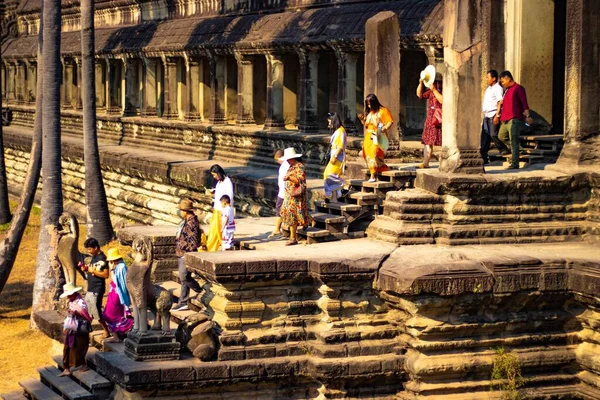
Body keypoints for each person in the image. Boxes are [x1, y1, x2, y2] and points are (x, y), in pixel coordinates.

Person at [497, 70, 533, 170]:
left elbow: (524, 104)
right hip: (505, 120)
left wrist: (528, 116)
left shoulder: (519, 88)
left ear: (508, 78)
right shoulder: (507, 90)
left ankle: (515, 164)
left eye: (503, 81)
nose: (502, 83)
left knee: (514, 141)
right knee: (501, 136)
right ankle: (519, 150)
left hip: (514, 119)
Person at [172, 198, 203, 312]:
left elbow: (194, 242)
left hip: (186, 253)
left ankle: (200, 291)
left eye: (181, 210)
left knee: (184, 277)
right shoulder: (187, 221)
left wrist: (183, 247)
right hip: (182, 252)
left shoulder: (191, 223)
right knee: (184, 277)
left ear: (185, 211)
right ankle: (183, 301)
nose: (180, 212)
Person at [358, 94, 393, 182]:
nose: (369, 106)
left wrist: (384, 128)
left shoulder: (383, 110)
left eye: (370, 104)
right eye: (368, 104)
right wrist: (362, 120)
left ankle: (372, 175)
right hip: (368, 135)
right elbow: (366, 124)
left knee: (373, 152)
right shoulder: (370, 113)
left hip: (377, 134)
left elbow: (390, 121)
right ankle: (379, 167)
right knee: (366, 153)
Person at [59, 283, 93, 376]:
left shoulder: (80, 302)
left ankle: (83, 365)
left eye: (70, 294)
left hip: (79, 329)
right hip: (72, 329)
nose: (68, 297)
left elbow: (83, 313)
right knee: (67, 348)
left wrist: (76, 312)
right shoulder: (71, 302)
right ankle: (66, 368)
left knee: (79, 348)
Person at [280, 147, 312, 246]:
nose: (287, 160)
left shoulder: (299, 166)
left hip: (295, 196)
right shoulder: (291, 166)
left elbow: (300, 180)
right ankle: (309, 221)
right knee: (293, 213)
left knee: (292, 215)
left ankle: (293, 238)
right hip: (289, 195)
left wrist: (290, 178)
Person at [80, 237, 110, 339]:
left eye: (89, 249)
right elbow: (93, 269)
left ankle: (106, 331)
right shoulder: (94, 257)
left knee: (96, 311)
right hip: (90, 288)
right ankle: (86, 331)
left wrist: (93, 271)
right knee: (88, 311)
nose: (88, 251)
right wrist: (86, 269)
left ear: (96, 247)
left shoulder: (102, 259)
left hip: (97, 289)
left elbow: (105, 274)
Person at [102, 248, 133, 342]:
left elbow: (120, 283)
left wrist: (111, 269)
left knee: (109, 315)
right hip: (113, 293)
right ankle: (118, 334)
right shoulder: (118, 266)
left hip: (117, 295)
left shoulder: (121, 267)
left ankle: (121, 333)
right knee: (108, 314)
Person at [416, 72, 443, 168]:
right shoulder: (430, 91)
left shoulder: (442, 89)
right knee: (427, 141)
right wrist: (421, 83)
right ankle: (425, 163)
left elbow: (442, 100)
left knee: (440, 141)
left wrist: (435, 90)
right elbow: (419, 95)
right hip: (430, 118)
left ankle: (444, 162)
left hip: (439, 119)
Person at [481, 70, 508, 164]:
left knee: (493, 134)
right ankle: (483, 157)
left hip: (493, 114)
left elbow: (500, 102)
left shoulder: (498, 89)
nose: (486, 79)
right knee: (485, 138)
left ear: (494, 78)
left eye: (488, 77)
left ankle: (503, 148)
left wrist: (497, 115)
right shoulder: (488, 89)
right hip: (486, 115)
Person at [206, 164, 234, 251]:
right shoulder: (219, 182)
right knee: (214, 230)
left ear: (219, 173)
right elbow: (219, 193)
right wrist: (212, 192)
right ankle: (213, 245)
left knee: (218, 230)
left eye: (214, 175)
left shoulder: (227, 182)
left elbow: (229, 197)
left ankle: (213, 246)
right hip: (217, 209)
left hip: (222, 210)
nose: (214, 177)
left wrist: (225, 210)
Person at [323, 112, 347, 202]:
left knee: (329, 175)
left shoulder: (341, 131)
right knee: (328, 175)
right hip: (334, 156)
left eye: (330, 122)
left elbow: (340, 146)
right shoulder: (337, 131)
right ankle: (334, 198)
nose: (329, 124)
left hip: (338, 158)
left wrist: (335, 155)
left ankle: (341, 185)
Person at [268, 149, 289, 239]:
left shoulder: (285, 165)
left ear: (277, 158)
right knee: (280, 210)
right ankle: (277, 229)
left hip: (285, 192)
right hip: (283, 192)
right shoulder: (286, 165)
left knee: (279, 210)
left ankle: (277, 229)